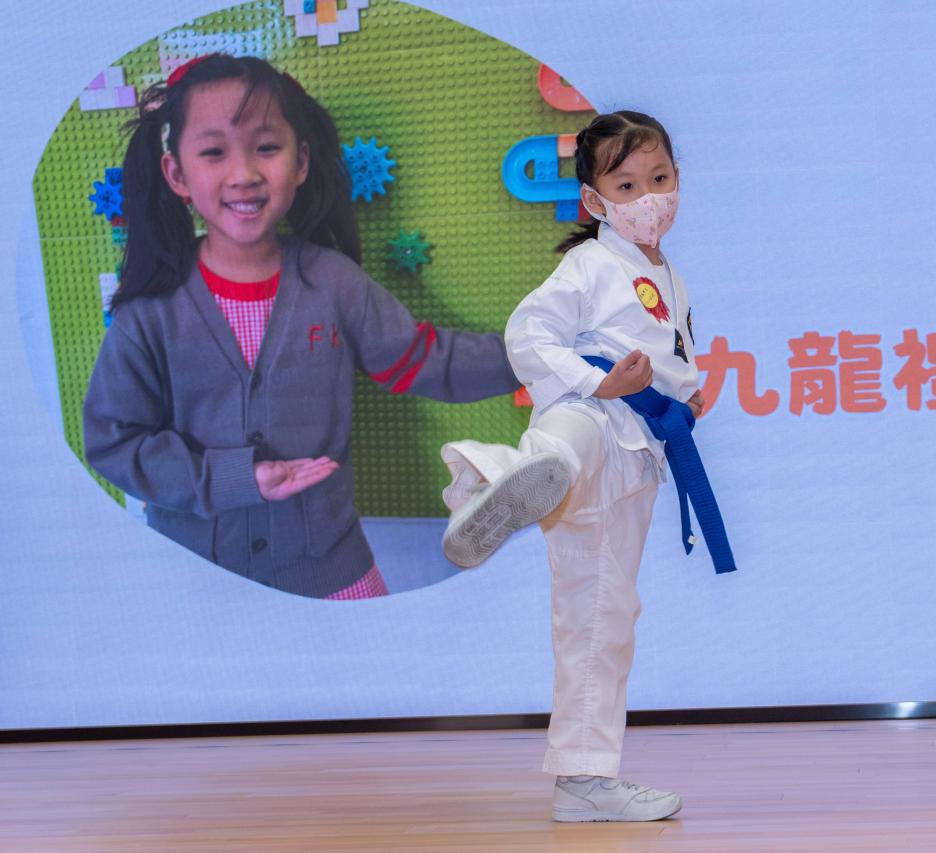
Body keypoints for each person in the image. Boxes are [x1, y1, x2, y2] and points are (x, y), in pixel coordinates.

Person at [82, 53, 519, 600]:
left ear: (302, 161)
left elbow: (426, 360)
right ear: (177, 175)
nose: (244, 174)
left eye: (266, 147)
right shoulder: (149, 310)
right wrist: (235, 479)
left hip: (329, 564)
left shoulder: (333, 282)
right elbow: (116, 443)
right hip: (196, 575)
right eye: (214, 152)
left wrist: (536, 357)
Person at [439, 111, 713, 822]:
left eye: (660, 178)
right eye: (628, 185)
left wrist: (686, 401)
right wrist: (600, 382)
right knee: (562, 449)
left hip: (639, 454)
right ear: (595, 199)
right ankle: (487, 480)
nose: (649, 197)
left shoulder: (669, 277)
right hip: (590, 412)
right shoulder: (591, 263)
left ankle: (584, 780)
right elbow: (528, 332)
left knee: (603, 614)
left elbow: (670, 362)